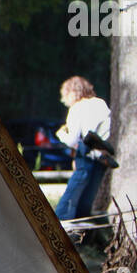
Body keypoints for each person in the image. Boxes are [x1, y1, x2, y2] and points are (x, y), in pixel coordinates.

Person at [54, 76, 112, 224]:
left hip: (85, 153)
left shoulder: (77, 108)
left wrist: (61, 135)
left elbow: (73, 139)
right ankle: (84, 232)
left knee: (73, 193)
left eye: (64, 97)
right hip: (102, 155)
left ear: (72, 92)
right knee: (88, 197)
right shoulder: (101, 103)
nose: (64, 101)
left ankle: (61, 222)